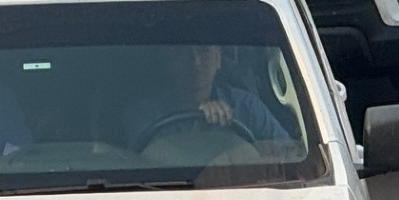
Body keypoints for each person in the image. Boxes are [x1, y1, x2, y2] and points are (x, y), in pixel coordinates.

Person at [122, 45, 296, 152]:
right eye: (182, 54)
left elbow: (289, 154)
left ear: (218, 59)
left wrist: (246, 151)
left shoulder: (247, 107)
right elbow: (147, 164)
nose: (195, 64)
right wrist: (201, 131)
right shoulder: (143, 114)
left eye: (204, 52)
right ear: (167, 61)